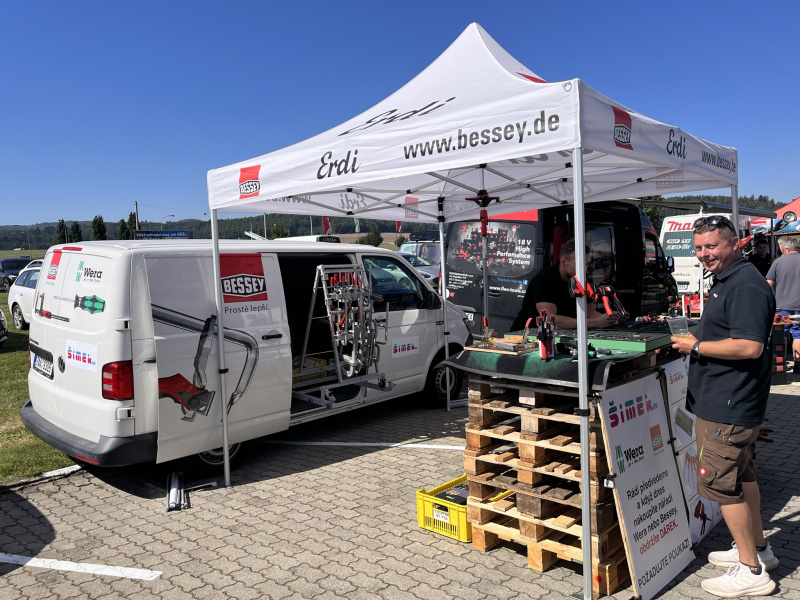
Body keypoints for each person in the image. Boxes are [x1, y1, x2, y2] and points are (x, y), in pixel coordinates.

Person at [671, 215, 778, 597]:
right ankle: (759, 549)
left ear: (734, 243)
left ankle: (750, 571)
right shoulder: (729, 279)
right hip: (731, 403)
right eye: (699, 248)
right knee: (743, 476)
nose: (704, 254)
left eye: (712, 246)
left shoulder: (745, 284)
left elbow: (749, 347)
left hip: (728, 406)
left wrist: (696, 346)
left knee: (722, 486)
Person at [509, 239, 622, 331]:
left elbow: (590, 313)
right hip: (527, 335)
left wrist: (611, 319)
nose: (584, 269)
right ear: (563, 261)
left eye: (587, 264)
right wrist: (593, 323)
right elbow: (550, 319)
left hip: (562, 335)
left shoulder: (582, 280)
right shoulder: (544, 280)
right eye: (580, 264)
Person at [766, 236, 800, 371]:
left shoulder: (778, 262)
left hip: (782, 305)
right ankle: (798, 365)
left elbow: (768, 283)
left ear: (787, 249)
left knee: (782, 334)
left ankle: (782, 363)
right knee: (798, 334)